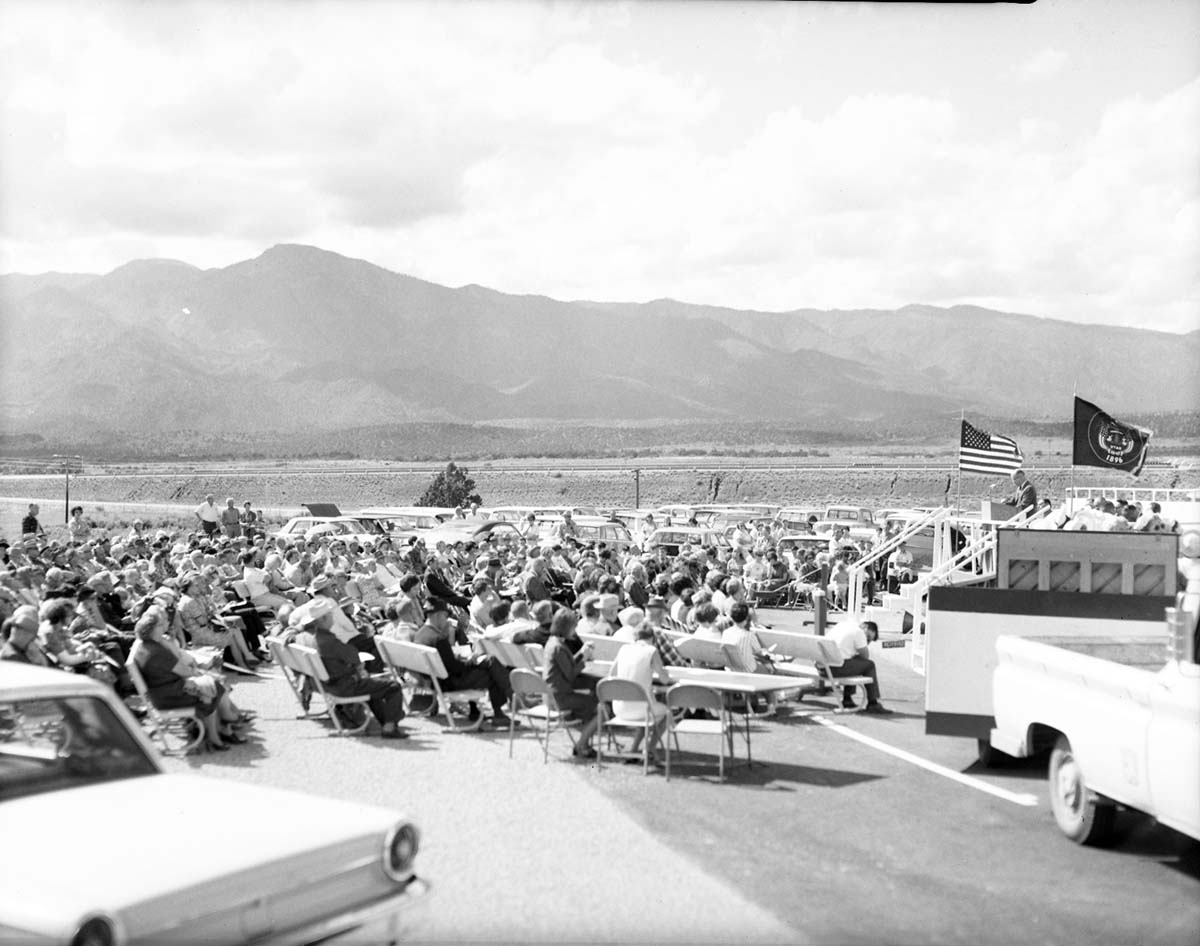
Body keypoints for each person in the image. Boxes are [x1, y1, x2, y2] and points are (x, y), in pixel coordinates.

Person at [305, 596, 409, 739]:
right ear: (322, 619)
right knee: (393, 686)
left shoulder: (315, 639)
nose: (332, 618)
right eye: (330, 615)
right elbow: (354, 656)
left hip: (327, 685)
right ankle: (389, 727)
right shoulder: (329, 641)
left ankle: (386, 722)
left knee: (373, 686)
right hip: (344, 686)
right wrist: (357, 668)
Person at [413, 597, 514, 727]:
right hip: (448, 683)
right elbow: (456, 668)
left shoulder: (420, 634)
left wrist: (461, 659)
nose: (446, 622)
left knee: (490, 664)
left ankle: (476, 710)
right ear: (438, 615)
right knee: (492, 671)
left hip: (434, 680)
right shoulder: (438, 639)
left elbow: (448, 662)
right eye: (445, 617)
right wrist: (471, 661)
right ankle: (501, 711)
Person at [607, 622, 671, 764]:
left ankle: (634, 749)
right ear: (652, 638)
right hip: (642, 708)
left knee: (646, 708)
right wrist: (662, 671)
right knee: (666, 713)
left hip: (619, 707)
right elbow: (665, 680)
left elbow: (611, 674)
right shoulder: (651, 650)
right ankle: (650, 748)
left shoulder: (624, 649)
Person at [541, 608, 600, 760]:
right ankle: (582, 744)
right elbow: (571, 675)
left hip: (552, 695)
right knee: (600, 707)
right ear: (566, 627)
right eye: (573, 626)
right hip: (560, 698)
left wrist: (581, 653)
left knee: (593, 687)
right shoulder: (559, 647)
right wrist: (585, 658)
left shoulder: (552, 643)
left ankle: (585, 742)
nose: (575, 630)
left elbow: (566, 666)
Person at [828, 619, 894, 714]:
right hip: (833, 669)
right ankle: (873, 703)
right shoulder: (858, 632)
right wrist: (863, 647)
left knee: (855, 662)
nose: (866, 641)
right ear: (864, 627)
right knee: (869, 665)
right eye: (868, 637)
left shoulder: (842, 625)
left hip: (822, 667)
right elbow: (865, 656)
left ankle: (847, 699)